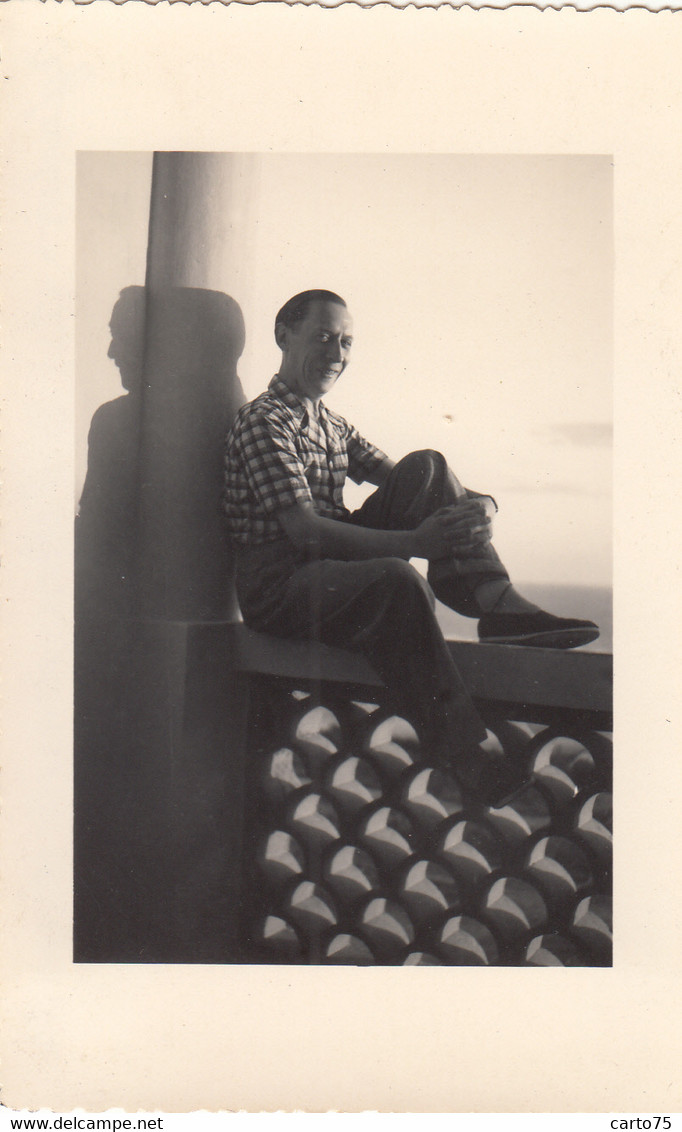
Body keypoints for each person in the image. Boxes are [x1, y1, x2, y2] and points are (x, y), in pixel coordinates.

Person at [223, 289, 599, 804]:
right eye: (324, 338)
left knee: (428, 464)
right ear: (283, 336)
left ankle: (497, 604)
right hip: (280, 586)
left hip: (328, 571)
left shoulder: (330, 424)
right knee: (398, 577)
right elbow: (305, 531)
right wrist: (417, 544)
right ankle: (465, 750)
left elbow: (414, 480)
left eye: (347, 342)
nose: (338, 354)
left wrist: (484, 503)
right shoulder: (264, 421)